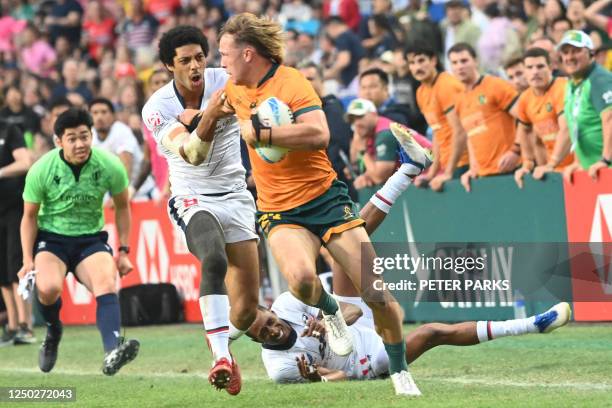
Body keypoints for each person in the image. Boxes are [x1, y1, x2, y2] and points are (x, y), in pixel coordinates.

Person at [219, 13, 432, 396]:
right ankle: (332, 311)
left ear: (248, 54)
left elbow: (320, 133)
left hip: (326, 200)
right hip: (278, 210)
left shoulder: (292, 81)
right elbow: (206, 109)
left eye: (224, 55)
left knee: (379, 295)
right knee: (301, 280)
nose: (220, 62)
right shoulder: (232, 88)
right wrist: (192, 133)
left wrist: (263, 132)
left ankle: (400, 372)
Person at [141, 25, 260, 395]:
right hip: (193, 196)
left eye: (199, 57)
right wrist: (210, 114)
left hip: (237, 196)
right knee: (212, 259)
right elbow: (192, 154)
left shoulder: (225, 79)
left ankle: (224, 340)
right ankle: (221, 357)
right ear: (168, 66)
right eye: (184, 61)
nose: (194, 66)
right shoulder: (157, 108)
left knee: (246, 312)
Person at [18, 108, 139, 375]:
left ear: (92, 135)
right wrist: (27, 259)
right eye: (72, 138)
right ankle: (53, 331)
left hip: (90, 240)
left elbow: (122, 207)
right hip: (52, 240)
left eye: (85, 136)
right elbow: (28, 217)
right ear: (58, 141)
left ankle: (112, 351)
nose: (80, 144)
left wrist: (123, 251)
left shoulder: (110, 165)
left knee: (106, 283)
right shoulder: (42, 169)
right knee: (48, 289)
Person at [248, 291, 571, 384]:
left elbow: (352, 311)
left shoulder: (289, 303)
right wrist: (318, 380)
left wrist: (327, 320)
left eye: (270, 322)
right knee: (432, 332)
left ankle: (404, 174)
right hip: (368, 362)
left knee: (344, 252)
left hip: (362, 328)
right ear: (257, 341)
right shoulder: (281, 367)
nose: (273, 330)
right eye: (265, 334)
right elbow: (342, 378)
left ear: (271, 309)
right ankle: (533, 324)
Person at [447, 43, 521, 192]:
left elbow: (525, 118)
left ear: (476, 61)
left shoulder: (496, 85)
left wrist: (516, 151)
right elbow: (470, 135)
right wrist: (473, 168)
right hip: (483, 177)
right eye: (454, 63)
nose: (459, 66)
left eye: (464, 61)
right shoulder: (459, 99)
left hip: (510, 170)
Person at [406, 45, 469, 192]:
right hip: (449, 163)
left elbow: (459, 131)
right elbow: (437, 132)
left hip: (465, 161)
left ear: (433, 60)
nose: (417, 67)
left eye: (421, 60)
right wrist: (432, 173)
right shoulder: (421, 92)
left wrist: (448, 172)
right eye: (412, 63)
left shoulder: (446, 84)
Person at [514, 48, 574, 188]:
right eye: (530, 67)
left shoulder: (563, 88)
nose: (535, 71)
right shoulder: (525, 98)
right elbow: (525, 130)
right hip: (553, 171)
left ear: (551, 67)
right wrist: (527, 163)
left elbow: (567, 129)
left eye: (540, 66)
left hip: (577, 167)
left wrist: (551, 164)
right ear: (524, 71)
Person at [557, 30, 612, 182]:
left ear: (591, 53)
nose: (569, 57)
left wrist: (605, 160)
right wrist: (578, 162)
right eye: (565, 52)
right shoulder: (572, 82)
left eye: (576, 51)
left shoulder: (600, 79)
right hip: (593, 172)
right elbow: (576, 123)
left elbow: (610, 120)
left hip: (606, 169)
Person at [0, 121, 34, 346]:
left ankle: (26, 326)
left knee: (16, 265)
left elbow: (25, 162)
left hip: (15, 207)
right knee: (2, 270)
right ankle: (12, 327)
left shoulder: (8, 129)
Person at [89, 97, 156, 200]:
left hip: (140, 193)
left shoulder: (121, 131)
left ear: (113, 116)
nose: (99, 117)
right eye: (95, 113)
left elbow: (126, 165)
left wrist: (119, 195)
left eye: (104, 112)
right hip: (113, 191)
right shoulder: (90, 135)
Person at [345, 98, 401, 189]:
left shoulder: (384, 133)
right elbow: (354, 161)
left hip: (426, 174)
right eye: (353, 120)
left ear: (373, 114)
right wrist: (367, 176)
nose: (357, 123)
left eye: (360, 116)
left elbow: (379, 178)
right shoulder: (370, 134)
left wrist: (362, 151)